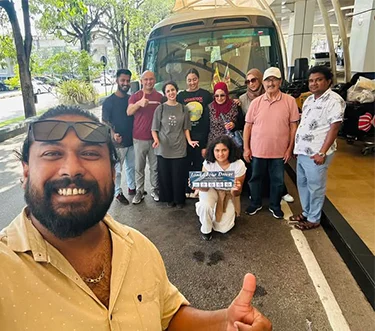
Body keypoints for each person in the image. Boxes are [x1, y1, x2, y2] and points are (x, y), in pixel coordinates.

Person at [0, 105, 272, 331]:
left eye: (90, 153)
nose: (72, 169)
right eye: (52, 153)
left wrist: (224, 320)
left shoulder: (139, 248)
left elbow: (168, 317)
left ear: (114, 171)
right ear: (25, 171)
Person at [290, 66, 345, 230]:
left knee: (316, 187)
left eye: (318, 80)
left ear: (328, 81)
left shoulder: (334, 101)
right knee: (303, 184)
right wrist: (296, 147)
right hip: (303, 151)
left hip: (317, 153)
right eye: (311, 80)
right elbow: (304, 125)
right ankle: (307, 212)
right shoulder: (308, 100)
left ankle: (314, 218)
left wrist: (322, 152)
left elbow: (334, 128)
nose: (314, 84)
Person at [243, 67, 299, 219]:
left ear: (280, 82)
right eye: (267, 80)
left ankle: (275, 206)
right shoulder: (256, 103)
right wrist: (246, 148)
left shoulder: (290, 101)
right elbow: (247, 126)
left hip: (279, 152)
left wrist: (289, 149)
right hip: (257, 151)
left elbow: (293, 126)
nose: (271, 83)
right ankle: (255, 203)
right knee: (255, 179)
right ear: (263, 82)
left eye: (274, 79)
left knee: (278, 181)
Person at [152, 81, 198, 208]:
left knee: (178, 174)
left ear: (176, 91)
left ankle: (179, 199)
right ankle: (169, 199)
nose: (171, 93)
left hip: (179, 146)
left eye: (173, 90)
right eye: (168, 91)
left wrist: (189, 141)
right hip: (163, 147)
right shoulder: (160, 109)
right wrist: (156, 140)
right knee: (165, 174)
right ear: (165, 94)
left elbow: (186, 128)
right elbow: (154, 128)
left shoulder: (183, 108)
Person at [195, 135, 246, 241]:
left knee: (224, 229)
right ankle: (206, 230)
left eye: (224, 150)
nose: (220, 154)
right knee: (204, 206)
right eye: (217, 150)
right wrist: (198, 185)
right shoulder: (208, 163)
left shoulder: (239, 165)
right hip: (211, 190)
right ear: (212, 151)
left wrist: (236, 189)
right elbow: (205, 188)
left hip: (229, 193)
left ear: (230, 150)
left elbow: (237, 193)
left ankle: (212, 213)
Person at [127, 70, 162, 204]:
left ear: (154, 80)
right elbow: (129, 112)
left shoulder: (159, 97)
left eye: (151, 79)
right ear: (141, 81)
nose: (149, 82)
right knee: (139, 167)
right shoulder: (135, 96)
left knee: (154, 166)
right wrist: (138, 104)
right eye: (146, 79)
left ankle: (155, 189)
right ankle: (139, 192)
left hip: (155, 139)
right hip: (139, 138)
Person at [177, 68, 212, 198]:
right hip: (186, 135)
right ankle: (188, 188)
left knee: (199, 162)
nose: (192, 82)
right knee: (186, 162)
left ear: (198, 79)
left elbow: (212, 111)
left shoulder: (206, 95)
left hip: (201, 134)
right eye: (189, 80)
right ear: (186, 81)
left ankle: (198, 188)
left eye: (194, 79)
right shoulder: (181, 96)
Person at [102, 68, 135, 205]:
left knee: (131, 166)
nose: (125, 83)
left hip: (131, 139)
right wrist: (113, 134)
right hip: (117, 142)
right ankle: (117, 192)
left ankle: (132, 188)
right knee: (118, 170)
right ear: (116, 81)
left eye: (127, 81)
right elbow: (104, 122)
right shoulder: (109, 101)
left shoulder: (130, 99)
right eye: (122, 80)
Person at [207, 82, 244, 146]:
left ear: (226, 94)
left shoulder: (235, 105)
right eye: (216, 96)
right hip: (215, 145)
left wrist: (234, 125)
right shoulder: (209, 108)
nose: (219, 98)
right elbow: (206, 128)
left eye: (222, 95)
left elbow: (242, 123)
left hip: (232, 144)